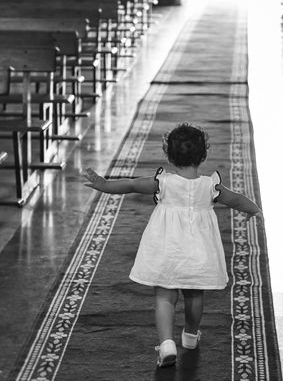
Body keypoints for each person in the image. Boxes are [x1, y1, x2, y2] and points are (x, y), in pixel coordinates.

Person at [84, 122, 262, 368]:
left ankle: (166, 344)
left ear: (169, 154)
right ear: (204, 154)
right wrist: (255, 210)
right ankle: (190, 336)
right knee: (194, 294)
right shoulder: (211, 186)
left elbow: (131, 184)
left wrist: (104, 185)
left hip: (167, 250)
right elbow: (236, 200)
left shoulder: (162, 183)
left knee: (164, 296)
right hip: (198, 253)